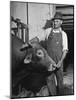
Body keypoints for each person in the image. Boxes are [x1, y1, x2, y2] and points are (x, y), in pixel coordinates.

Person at [39, 12, 68, 95]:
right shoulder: (47, 31)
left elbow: (65, 50)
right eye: (54, 21)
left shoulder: (63, 34)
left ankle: (61, 96)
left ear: (61, 22)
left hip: (59, 62)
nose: (55, 23)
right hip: (49, 62)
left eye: (57, 21)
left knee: (60, 81)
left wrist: (60, 62)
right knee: (49, 80)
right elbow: (40, 41)